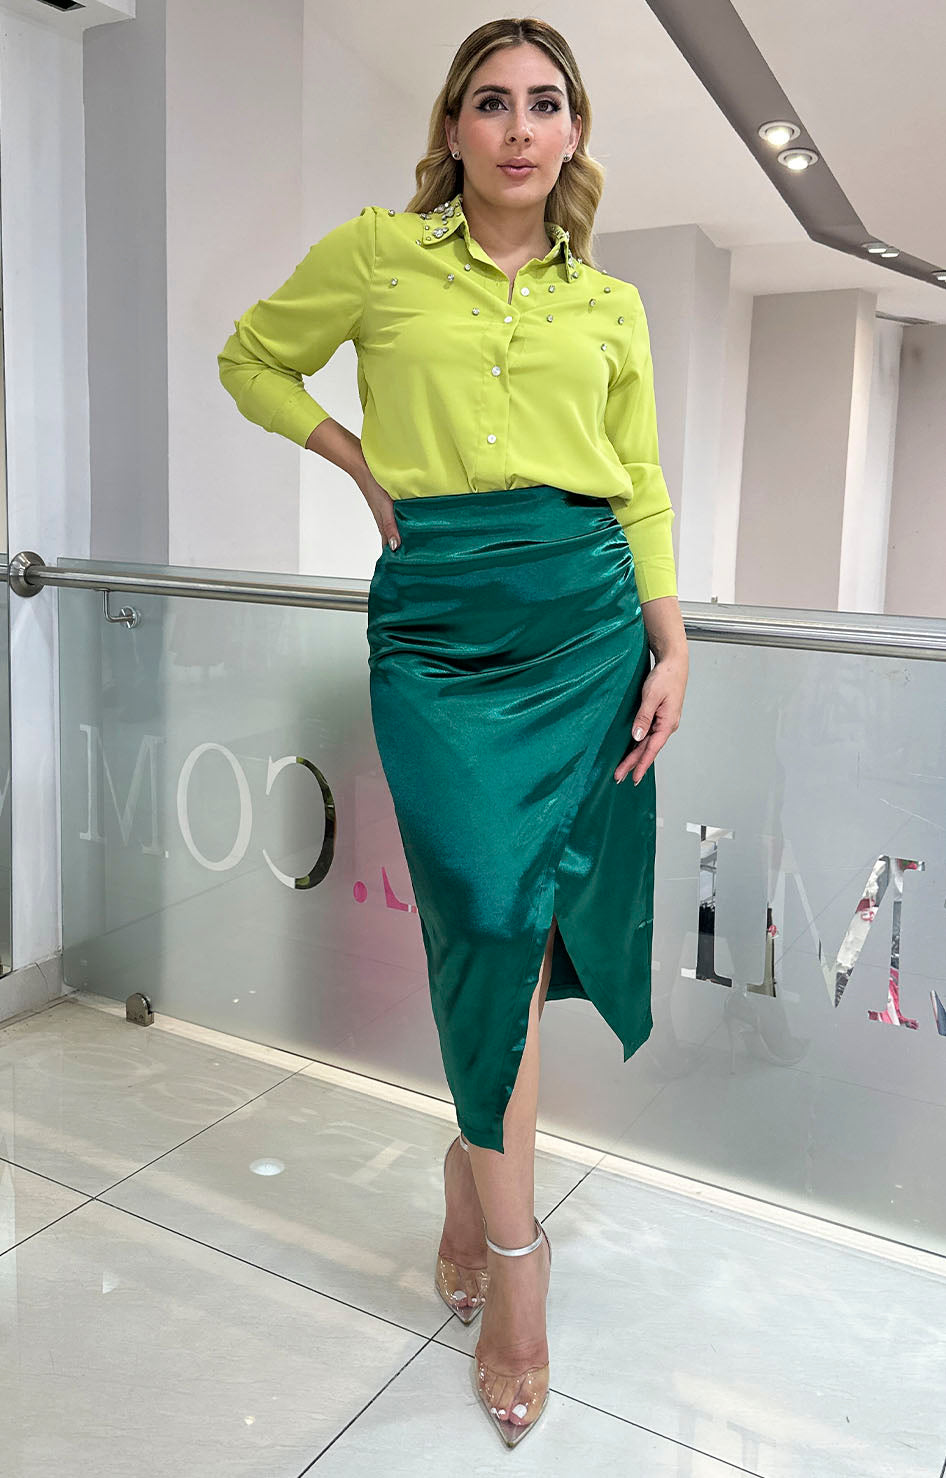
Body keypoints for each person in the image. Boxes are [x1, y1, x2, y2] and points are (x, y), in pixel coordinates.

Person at [218, 16, 689, 1448]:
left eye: (545, 104)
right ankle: (515, 1249)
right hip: (435, 627)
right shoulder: (379, 256)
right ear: (453, 129)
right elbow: (251, 360)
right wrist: (359, 466)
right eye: (492, 103)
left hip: (585, 620)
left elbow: (640, 478)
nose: (519, 128)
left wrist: (671, 638)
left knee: (531, 923)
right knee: (481, 910)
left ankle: (480, 1185)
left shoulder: (609, 305)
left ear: (574, 132)